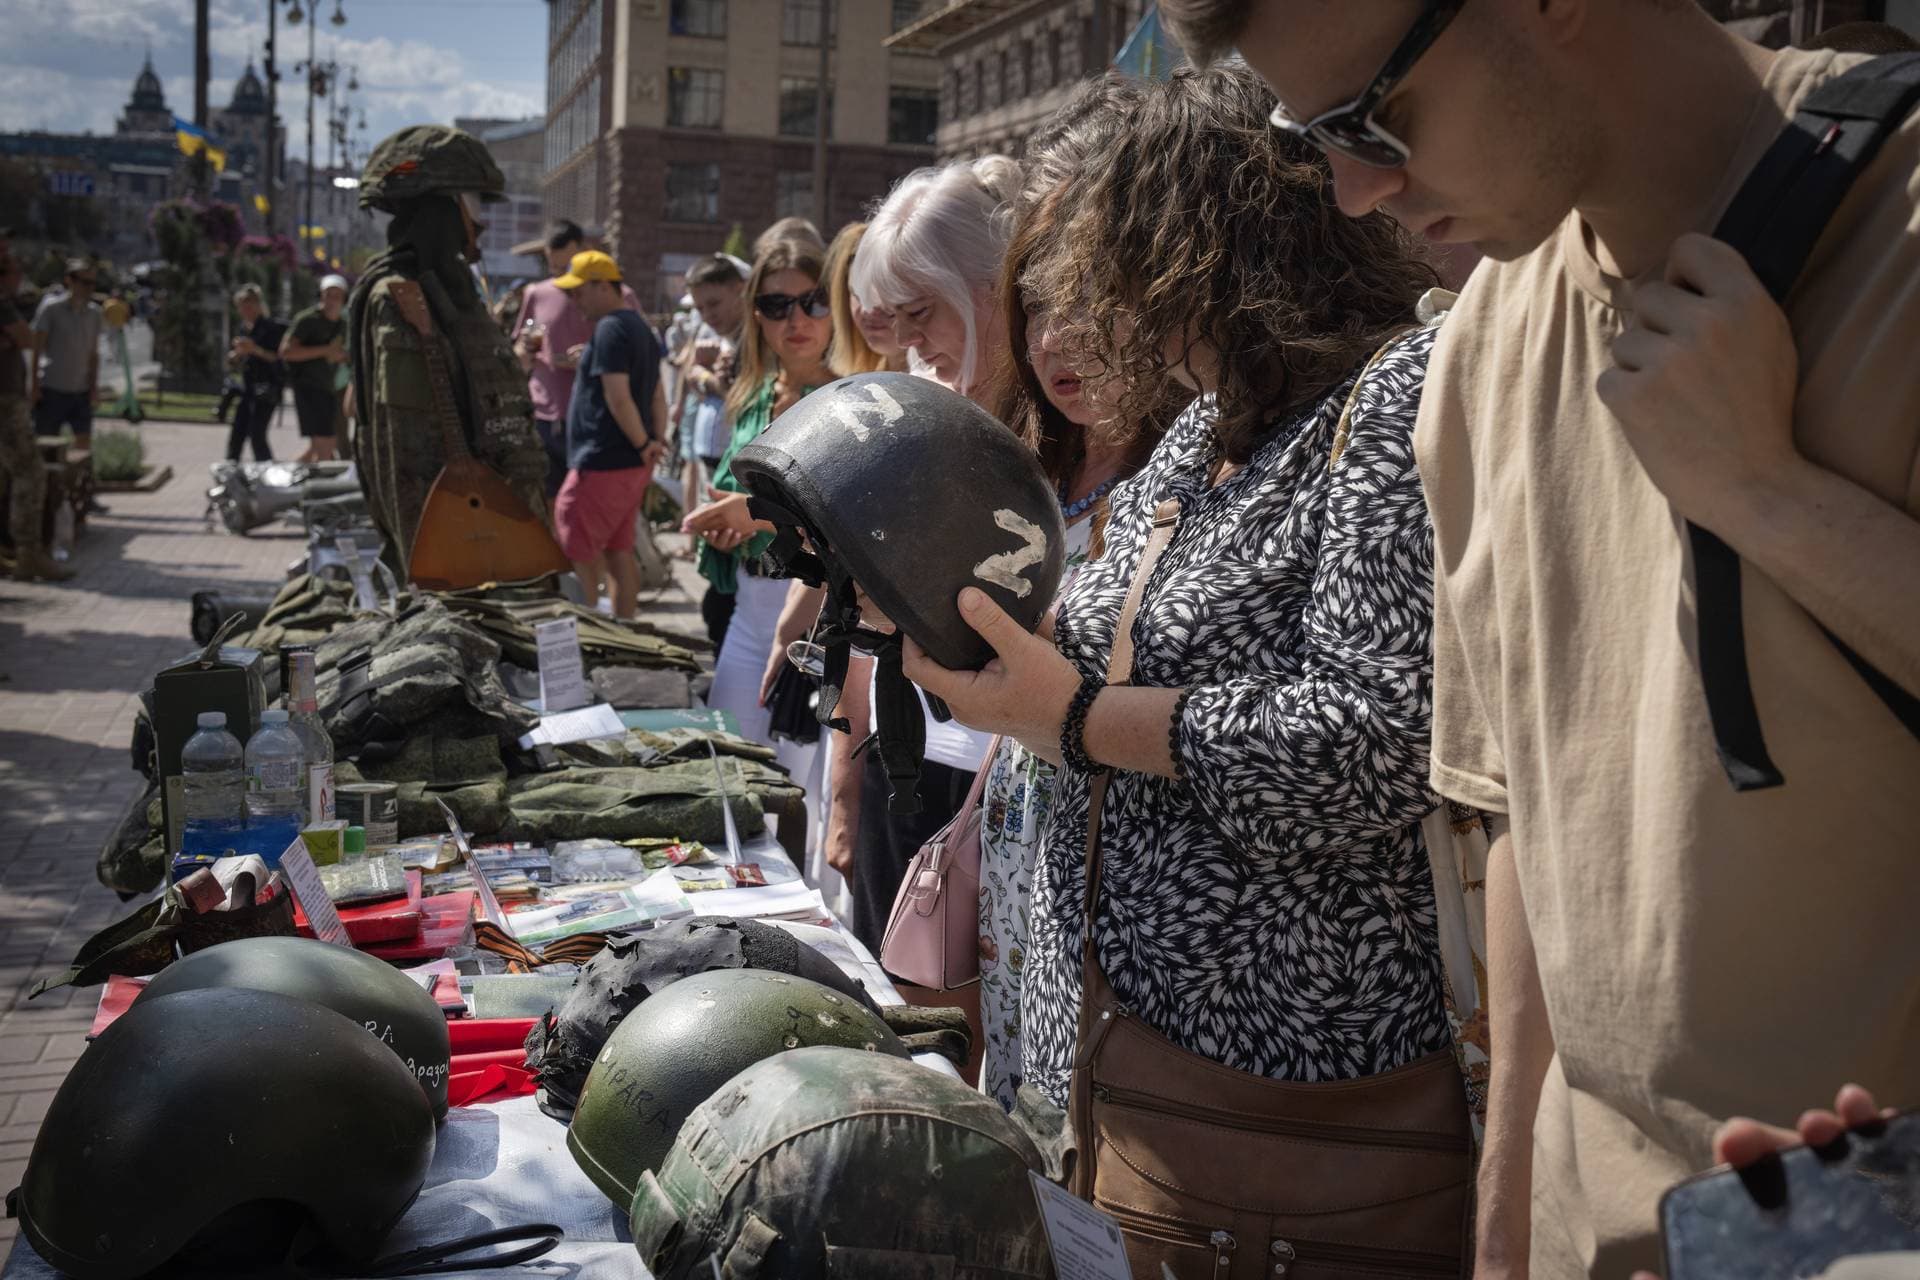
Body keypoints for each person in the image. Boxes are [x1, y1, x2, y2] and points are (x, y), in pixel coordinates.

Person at [1158, 1, 1920, 1276]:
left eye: (1368, 117)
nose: (1352, 192)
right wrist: (1507, 1224)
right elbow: (1520, 818)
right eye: (1313, 136)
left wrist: (1770, 496)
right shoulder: (1480, 343)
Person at [904, 61, 1454, 1129]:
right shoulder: (1207, 426)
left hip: (1272, 1089)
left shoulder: (1388, 397)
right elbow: (1108, 636)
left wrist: (1070, 718)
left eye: (1106, 255)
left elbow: (1376, 738)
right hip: (1116, 1055)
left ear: (1205, 239)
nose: (1092, 295)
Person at [971, 72, 1176, 1111]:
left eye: (1095, 299)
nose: (1059, 340)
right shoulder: (1028, 470)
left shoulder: (1199, 474)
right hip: (1027, 860)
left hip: (1128, 904)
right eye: (1038, 304)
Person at [348, 125, 553, 575]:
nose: (481, 221)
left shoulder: (454, 293)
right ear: (441, 209)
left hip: (509, 530)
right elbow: (404, 452)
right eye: (474, 203)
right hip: (463, 550)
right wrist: (428, 568)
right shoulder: (400, 297)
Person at [681, 239, 833, 822]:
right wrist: (723, 522)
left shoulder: (851, 395)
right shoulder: (750, 393)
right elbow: (738, 493)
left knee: (800, 800)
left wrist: (754, 515)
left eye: (812, 301)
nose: (795, 320)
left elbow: (845, 522)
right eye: (776, 305)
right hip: (748, 609)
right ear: (757, 315)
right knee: (728, 783)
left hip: (814, 619)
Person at [551, 250, 669, 620]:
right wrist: (653, 443)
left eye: (579, 291)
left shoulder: (610, 329)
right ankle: (623, 631)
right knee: (620, 553)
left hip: (603, 461)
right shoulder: (639, 328)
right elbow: (656, 394)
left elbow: (618, 398)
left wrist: (644, 443)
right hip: (630, 462)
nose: (574, 301)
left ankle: (586, 638)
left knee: (577, 552)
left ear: (604, 287)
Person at [850, 157, 1021, 399]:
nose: (904, 339)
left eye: (918, 311)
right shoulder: (917, 404)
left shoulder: (1072, 402)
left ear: (998, 283)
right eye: (891, 314)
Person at [513, 219, 644, 503]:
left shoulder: (620, 296)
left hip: (596, 420)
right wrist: (524, 348)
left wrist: (595, 355)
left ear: (584, 250)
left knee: (587, 508)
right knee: (548, 502)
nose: (563, 278)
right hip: (547, 416)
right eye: (555, 268)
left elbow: (640, 356)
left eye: (568, 267)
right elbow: (519, 355)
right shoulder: (536, 293)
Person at [0, 230, 68, 582]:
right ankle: (28, 553)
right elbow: (24, 337)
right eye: (10, 263)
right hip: (4, 402)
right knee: (30, 472)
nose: (18, 270)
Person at [29, 258, 105, 514]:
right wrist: (33, 384)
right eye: (84, 281)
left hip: (80, 389)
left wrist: (94, 386)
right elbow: (37, 347)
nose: (89, 287)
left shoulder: (94, 313)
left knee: (83, 444)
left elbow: (94, 353)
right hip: (52, 386)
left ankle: (84, 495)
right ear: (69, 281)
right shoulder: (51, 309)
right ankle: (40, 497)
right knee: (45, 446)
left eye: (92, 282)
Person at [280, 274, 348, 464]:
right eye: (328, 294)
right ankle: (318, 490)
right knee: (326, 446)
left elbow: (337, 354)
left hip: (328, 387)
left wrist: (342, 356)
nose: (332, 300)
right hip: (308, 387)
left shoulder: (342, 324)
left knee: (317, 449)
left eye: (337, 296)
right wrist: (325, 350)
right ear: (321, 295)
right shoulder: (307, 320)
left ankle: (286, 476)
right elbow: (286, 352)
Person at [225, 284, 285, 464]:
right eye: (242, 306)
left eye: (250, 305)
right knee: (237, 432)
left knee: (257, 434)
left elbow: (277, 357)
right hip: (248, 387)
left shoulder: (270, 327)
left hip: (267, 388)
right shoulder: (244, 329)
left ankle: (268, 473)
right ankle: (230, 471)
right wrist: (236, 355)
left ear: (259, 305)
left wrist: (255, 349)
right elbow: (238, 359)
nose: (246, 310)